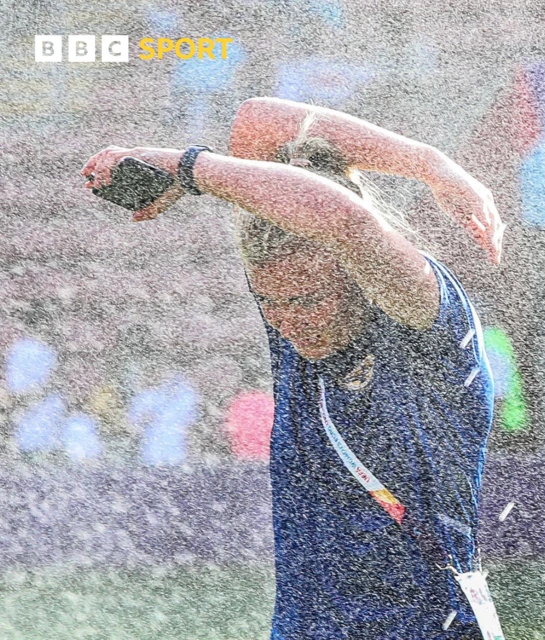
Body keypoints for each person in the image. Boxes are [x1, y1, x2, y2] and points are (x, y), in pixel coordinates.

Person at [82, 97, 505, 639]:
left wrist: (185, 168)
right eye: (270, 303)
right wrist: (427, 160)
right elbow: (258, 121)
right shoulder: (291, 309)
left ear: (358, 277)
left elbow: (344, 222)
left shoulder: (427, 325)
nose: (286, 324)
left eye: (306, 301)